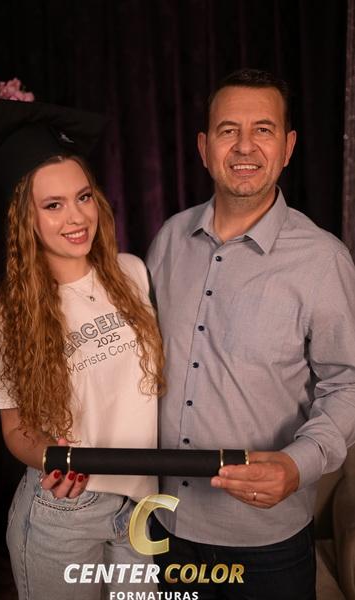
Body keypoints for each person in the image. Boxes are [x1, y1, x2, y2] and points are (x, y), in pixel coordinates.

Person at [146, 68, 355, 599]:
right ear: (203, 147)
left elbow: (348, 384)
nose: (244, 146)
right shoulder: (169, 239)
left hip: (267, 545)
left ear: (288, 147)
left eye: (263, 130)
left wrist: (297, 465)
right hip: (163, 525)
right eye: (228, 130)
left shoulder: (324, 260)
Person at [0, 99, 164, 600]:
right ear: (24, 219)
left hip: (141, 507)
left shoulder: (133, 273)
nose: (76, 217)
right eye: (53, 205)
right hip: (64, 511)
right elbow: (16, 430)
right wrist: (56, 457)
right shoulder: (9, 314)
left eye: (84, 196)